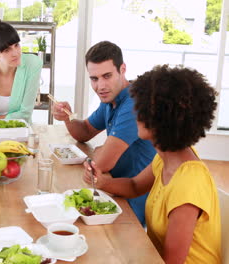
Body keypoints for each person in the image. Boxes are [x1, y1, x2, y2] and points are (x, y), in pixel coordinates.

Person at [84, 65, 221, 263]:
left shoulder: (188, 185)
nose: (135, 115)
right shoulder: (167, 158)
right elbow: (134, 186)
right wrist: (101, 180)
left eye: (142, 109)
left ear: (165, 119)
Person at [52, 41, 156, 225]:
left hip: (132, 202)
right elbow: (84, 132)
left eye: (107, 76)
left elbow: (101, 164)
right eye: (94, 78)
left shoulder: (133, 104)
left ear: (122, 69)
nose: (101, 86)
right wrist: (67, 118)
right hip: (112, 187)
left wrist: (99, 153)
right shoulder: (111, 99)